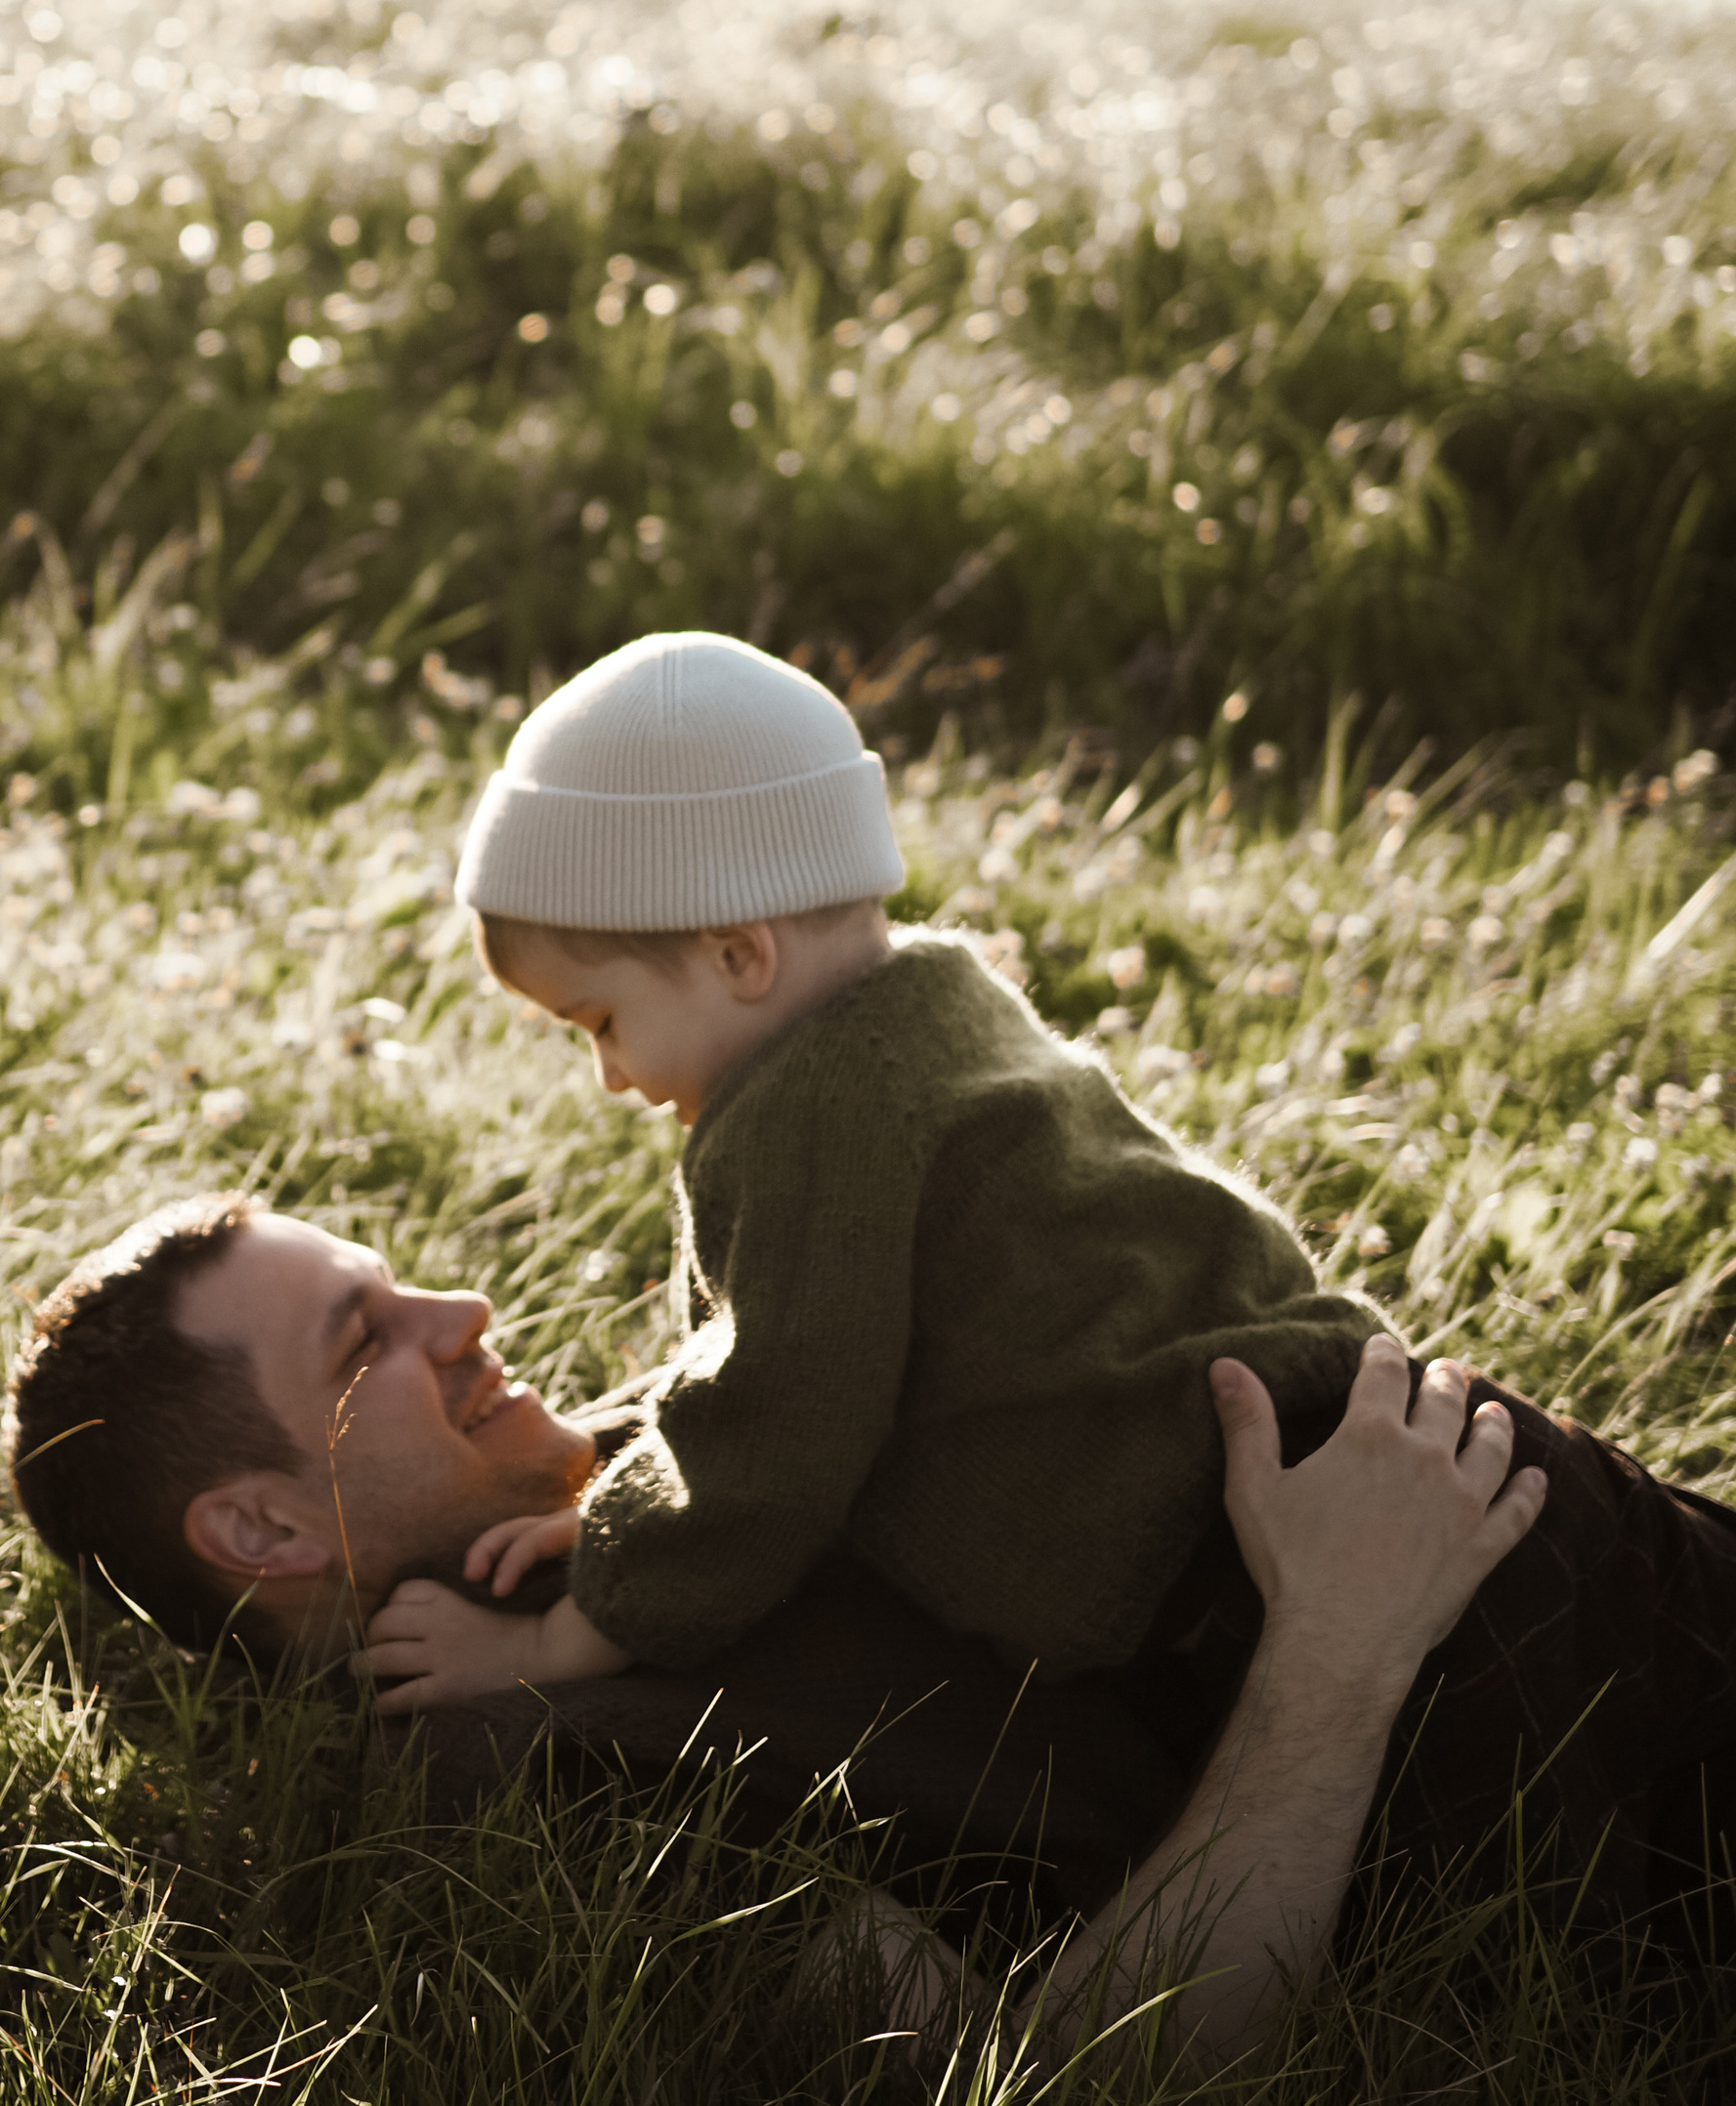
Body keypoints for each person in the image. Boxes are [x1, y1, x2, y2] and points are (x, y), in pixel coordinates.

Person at [4, 1198, 1736, 2053]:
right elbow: (1062, 2098)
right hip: (1655, 1793)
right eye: (363, 1338)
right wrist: (1347, 1641)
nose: (463, 1309)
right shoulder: (522, 1780)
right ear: (260, 1525)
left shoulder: (625, 1476)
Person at [362, 629, 1377, 1711]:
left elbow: (774, 1427)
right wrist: (636, 1508)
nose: (609, 1074)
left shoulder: (814, 1107)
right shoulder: (932, 1009)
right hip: (1287, 1419)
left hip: (1193, 1523)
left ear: (738, 955)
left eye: (602, 1020)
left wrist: (577, 1629)